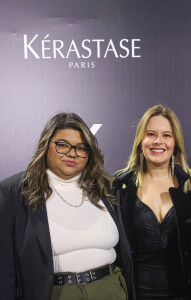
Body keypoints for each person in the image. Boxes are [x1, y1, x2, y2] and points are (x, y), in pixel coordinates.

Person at [0, 113, 134, 300]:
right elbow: (4, 268)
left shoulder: (104, 188)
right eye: (62, 145)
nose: (72, 153)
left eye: (81, 148)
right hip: (56, 293)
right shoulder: (14, 192)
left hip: (110, 289)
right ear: (46, 145)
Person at [114, 104, 191, 300]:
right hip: (135, 293)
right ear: (140, 140)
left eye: (167, 135)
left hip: (185, 293)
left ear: (175, 143)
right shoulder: (119, 188)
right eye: (151, 134)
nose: (158, 141)